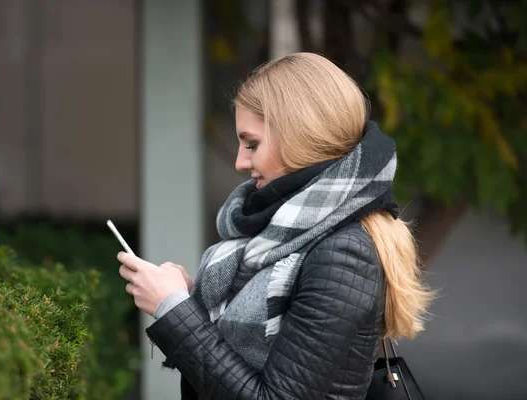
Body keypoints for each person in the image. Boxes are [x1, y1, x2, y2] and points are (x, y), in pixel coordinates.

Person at [118, 52, 435, 400]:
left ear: (301, 139)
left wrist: (173, 309)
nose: (240, 162)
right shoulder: (284, 236)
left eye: (252, 144)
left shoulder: (343, 254)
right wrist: (190, 303)